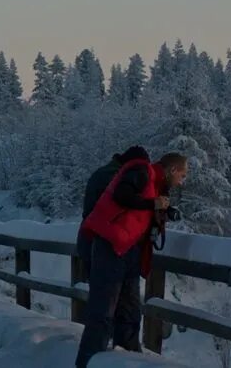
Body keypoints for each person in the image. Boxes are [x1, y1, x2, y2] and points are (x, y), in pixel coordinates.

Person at [74, 152, 189, 368]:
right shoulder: (141, 171)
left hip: (129, 250)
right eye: (182, 175)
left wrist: (163, 210)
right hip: (110, 246)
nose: (182, 181)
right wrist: (153, 203)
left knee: (129, 314)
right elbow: (122, 195)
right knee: (102, 314)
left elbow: (139, 208)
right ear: (172, 170)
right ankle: (87, 363)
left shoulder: (156, 185)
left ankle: (125, 362)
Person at [77, 146, 151, 277]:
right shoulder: (118, 178)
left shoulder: (101, 173)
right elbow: (121, 208)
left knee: (95, 290)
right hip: (103, 245)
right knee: (106, 293)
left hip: (88, 239)